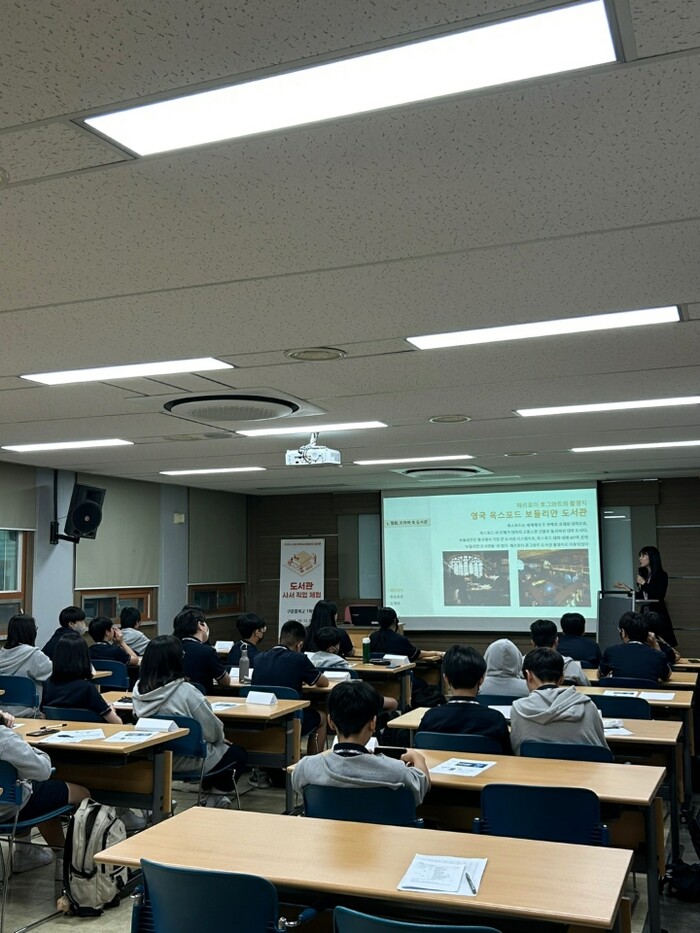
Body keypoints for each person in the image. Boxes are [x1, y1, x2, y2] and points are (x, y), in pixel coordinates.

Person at [132, 635, 247, 809]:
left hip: (153, 758)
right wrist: (220, 738)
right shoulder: (187, 692)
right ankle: (213, 798)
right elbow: (213, 732)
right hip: (190, 760)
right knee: (237, 753)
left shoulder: (138, 690)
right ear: (177, 661)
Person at [291, 680, 429, 804]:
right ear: (373, 723)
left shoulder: (305, 768)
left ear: (330, 722)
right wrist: (418, 758)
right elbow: (421, 787)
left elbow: (299, 788)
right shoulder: (396, 771)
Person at [0, 709, 89, 872]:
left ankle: (25, 852)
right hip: (9, 809)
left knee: (35, 789)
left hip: (7, 802)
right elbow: (43, 771)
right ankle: (69, 861)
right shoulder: (4, 737)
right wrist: (14, 735)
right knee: (82, 794)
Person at [510, 648, 608, 755]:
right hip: (583, 765)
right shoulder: (587, 705)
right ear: (562, 678)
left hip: (534, 766)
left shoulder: (519, 709)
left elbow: (516, 750)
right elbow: (603, 749)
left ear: (528, 676)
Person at [253, 620, 329, 754]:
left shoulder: (259, 657)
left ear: (279, 639)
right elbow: (323, 683)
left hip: (261, 718)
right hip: (290, 719)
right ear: (299, 645)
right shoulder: (300, 659)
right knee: (322, 717)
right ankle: (313, 760)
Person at [417, 645, 511, 753]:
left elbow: (420, 753)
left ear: (446, 679)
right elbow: (507, 756)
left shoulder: (431, 717)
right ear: (481, 679)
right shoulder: (495, 719)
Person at [311, 628, 398, 713]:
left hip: (324, 699)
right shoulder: (341, 663)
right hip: (349, 699)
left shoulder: (312, 661)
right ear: (332, 649)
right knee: (393, 703)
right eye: (338, 644)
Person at [41, 635, 122, 724]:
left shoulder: (47, 685)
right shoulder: (87, 688)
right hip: (90, 731)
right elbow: (117, 723)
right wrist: (111, 709)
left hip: (58, 731)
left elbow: (43, 715)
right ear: (84, 658)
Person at [614, 545, 677, 647]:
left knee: (660, 643)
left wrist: (643, 583)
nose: (640, 559)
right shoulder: (646, 575)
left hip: (657, 615)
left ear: (652, 557)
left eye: (643, 556)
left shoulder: (662, 575)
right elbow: (643, 596)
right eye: (640, 556)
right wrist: (626, 588)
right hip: (645, 614)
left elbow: (657, 595)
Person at [599, 611, 674, 682]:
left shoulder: (611, 651)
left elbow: (600, 674)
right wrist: (656, 646)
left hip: (618, 690)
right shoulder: (658, 655)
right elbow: (667, 675)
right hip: (646, 691)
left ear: (623, 632)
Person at [0, 614, 52, 716]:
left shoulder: (1, 654)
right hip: (28, 714)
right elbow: (55, 674)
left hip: (2, 715)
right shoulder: (35, 655)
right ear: (30, 632)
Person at [173, 607, 230, 689]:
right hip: (202, 695)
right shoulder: (208, 651)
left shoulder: (171, 648)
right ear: (200, 625)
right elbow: (225, 681)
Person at [529, 619, 589, 686]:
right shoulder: (570, 666)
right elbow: (586, 686)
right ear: (556, 640)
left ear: (532, 642)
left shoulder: (523, 665)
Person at [368, 607, 442, 662]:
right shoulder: (399, 639)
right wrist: (435, 652)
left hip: (375, 675)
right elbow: (416, 654)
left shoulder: (372, 637)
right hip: (397, 676)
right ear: (395, 620)